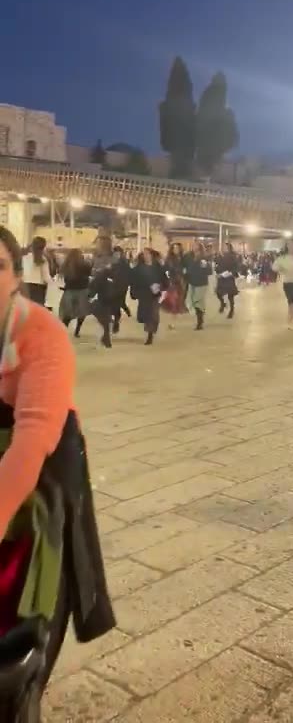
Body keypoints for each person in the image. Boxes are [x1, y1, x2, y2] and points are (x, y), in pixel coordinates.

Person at [0, 226, 115, 718]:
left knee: (23, 632)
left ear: (15, 274)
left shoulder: (39, 332)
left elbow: (32, 439)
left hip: (35, 491)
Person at [130, 248, 169, 345]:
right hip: (144, 294)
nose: (146, 256)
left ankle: (150, 334)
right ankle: (150, 330)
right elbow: (133, 281)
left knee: (154, 314)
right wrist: (133, 293)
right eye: (144, 254)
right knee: (145, 315)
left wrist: (160, 286)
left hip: (156, 295)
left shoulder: (158, 267)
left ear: (152, 255)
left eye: (148, 254)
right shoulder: (138, 268)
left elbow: (165, 280)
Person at [58, 248, 92, 338]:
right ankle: (77, 331)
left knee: (67, 313)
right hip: (82, 290)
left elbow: (63, 278)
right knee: (82, 312)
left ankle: (63, 330)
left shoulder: (66, 265)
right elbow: (90, 273)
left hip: (69, 291)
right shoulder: (85, 264)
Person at [184, 241, 212, 330]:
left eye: (196, 246)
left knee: (197, 301)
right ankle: (199, 319)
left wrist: (205, 266)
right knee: (193, 301)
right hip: (192, 281)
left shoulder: (204, 257)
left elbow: (209, 271)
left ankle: (200, 322)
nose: (194, 247)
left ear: (200, 247)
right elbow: (185, 266)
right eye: (193, 245)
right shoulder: (188, 256)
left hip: (201, 282)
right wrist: (185, 271)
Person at [163, 242, 187, 329]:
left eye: (177, 248)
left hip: (179, 282)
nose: (176, 250)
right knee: (173, 302)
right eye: (174, 248)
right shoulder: (169, 259)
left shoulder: (183, 258)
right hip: (171, 282)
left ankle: (172, 322)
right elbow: (165, 269)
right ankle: (171, 321)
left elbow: (185, 269)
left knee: (176, 302)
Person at [22, 236, 50, 305]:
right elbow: (46, 278)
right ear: (43, 247)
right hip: (38, 290)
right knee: (36, 312)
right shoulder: (43, 260)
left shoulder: (24, 258)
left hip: (25, 287)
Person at [111, 246, 132, 334]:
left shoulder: (124, 263)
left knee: (119, 303)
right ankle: (124, 313)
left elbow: (129, 274)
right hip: (114, 286)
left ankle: (116, 322)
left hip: (122, 286)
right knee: (118, 303)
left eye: (118, 253)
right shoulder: (113, 262)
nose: (116, 255)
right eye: (115, 253)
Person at [215, 242, 239, 318]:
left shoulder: (233, 256)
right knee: (219, 293)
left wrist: (225, 274)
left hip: (228, 277)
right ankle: (222, 303)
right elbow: (217, 265)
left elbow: (235, 267)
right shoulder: (220, 256)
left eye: (226, 247)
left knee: (230, 296)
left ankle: (231, 310)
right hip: (221, 278)